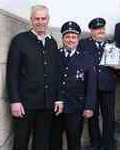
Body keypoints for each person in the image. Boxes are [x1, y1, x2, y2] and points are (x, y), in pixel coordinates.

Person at [6, 5, 63, 150]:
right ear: (31, 20)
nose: (40, 22)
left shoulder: (52, 42)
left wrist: (58, 98)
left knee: (42, 143)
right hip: (25, 104)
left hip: (47, 104)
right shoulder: (19, 41)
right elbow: (12, 73)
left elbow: (56, 73)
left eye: (43, 18)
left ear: (48, 20)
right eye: (36, 18)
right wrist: (15, 101)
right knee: (20, 142)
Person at [50, 21, 97, 150]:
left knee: (74, 141)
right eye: (67, 37)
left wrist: (89, 107)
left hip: (76, 107)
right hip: (55, 107)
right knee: (54, 140)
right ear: (63, 38)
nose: (70, 40)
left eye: (73, 37)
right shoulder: (54, 55)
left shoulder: (87, 58)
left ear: (78, 39)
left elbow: (91, 85)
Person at [79, 18, 118, 150]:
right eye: (97, 29)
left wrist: (119, 67)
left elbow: (119, 66)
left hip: (107, 86)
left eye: (102, 28)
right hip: (90, 87)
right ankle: (95, 142)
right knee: (92, 116)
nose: (101, 31)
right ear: (91, 31)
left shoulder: (111, 45)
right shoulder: (83, 44)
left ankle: (109, 143)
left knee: (109, 117)